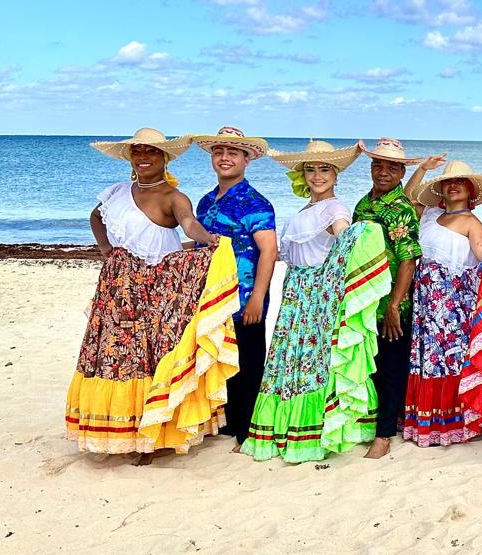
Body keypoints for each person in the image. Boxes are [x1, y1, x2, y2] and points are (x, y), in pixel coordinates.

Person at [66, 128, 239, 465]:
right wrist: (106, 248)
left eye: (152, 152)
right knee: (116, 355)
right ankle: (124, 431)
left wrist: (208, 239)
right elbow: (95, 216)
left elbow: (188, 223)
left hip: (156, 287)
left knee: (153, 355)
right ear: (130, 156)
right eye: (138, 151)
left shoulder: (174, 197)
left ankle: (154, 436)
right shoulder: (117, 192)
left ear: (164, 158)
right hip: (117, 287)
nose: (144, 157)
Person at [243, 141, 392, 464]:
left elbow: (343, 234)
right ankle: (288, 427)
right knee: (290, 358)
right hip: (294, 291)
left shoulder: (334, 210)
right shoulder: (303, 211)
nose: (317, 176)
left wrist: (361, 233)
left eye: (325, 169)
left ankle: (314, 431)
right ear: (302, 175)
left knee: (313, 360)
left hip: (315, 294)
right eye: (310, 169)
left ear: (336, 175)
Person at [400, 158, 482, 446]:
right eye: (448, 183)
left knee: (449, 358)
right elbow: (407, 198)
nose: (453, 186)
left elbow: (480, 250)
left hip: (452, 304)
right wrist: (423, 169)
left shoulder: (471, 222)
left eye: (460, 182)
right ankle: (428, 420)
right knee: (427, 358)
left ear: (470, 191)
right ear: (440, 190)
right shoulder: (430, 214)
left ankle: (456, 421)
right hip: (426, 302)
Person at [191, 126, 277, 452]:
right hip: (211, 296)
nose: (224, 158)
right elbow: (202, 246)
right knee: (218, 358)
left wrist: (257, 298)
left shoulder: (255, 202)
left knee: (248, 363)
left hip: (245, 297)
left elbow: (269, 251)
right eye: (219, 152)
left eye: (232, 153)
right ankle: (225, 424)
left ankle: (247, 432)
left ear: (246, 159)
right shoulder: (205, 201)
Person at [352, 138, 424, 460]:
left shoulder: (401, 209)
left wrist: (395, 304)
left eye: (392, 168)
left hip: (392, 302)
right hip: (363, 300)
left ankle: (383, 437)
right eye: (378, 165)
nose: (383, 172)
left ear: (401, 173)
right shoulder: (362, 205)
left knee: (392, 368)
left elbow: (408, 260)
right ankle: (372, 423)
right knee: (370, 366)